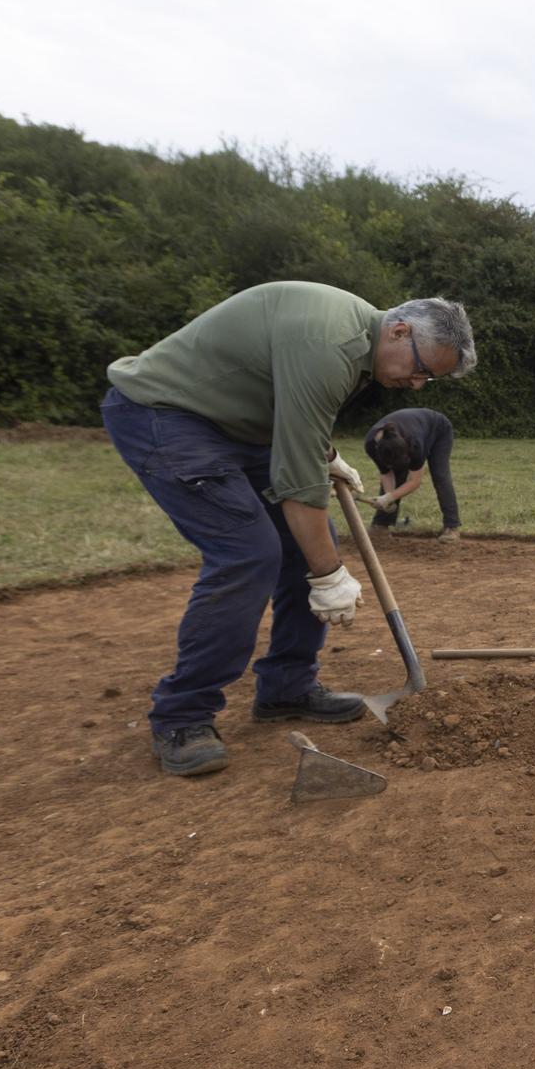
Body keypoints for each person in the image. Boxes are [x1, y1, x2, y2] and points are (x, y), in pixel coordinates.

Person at [102, 282, 476, 778]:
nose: (418, 385)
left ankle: (286, 686)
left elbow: (297, 414)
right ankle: (182, 716)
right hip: (168, 414)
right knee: (248, 553)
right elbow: (297, 483)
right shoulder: (332, 343)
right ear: (400, 330)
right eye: (422, 369)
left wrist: (327, 456)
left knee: (305, 548)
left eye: (430, 379)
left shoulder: (358, 342)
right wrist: (329, 577)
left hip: (241, 425)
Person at [362, 407, 463, 541]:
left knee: (440, 476)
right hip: (413, 429)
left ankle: (452, 527)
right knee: (397, 474)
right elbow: (386, 473)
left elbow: (415, 482)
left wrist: (389, 497)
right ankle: (381, 525)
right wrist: (388, 499)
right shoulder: (371, 445)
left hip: (439, 429)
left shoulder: (414, 443)